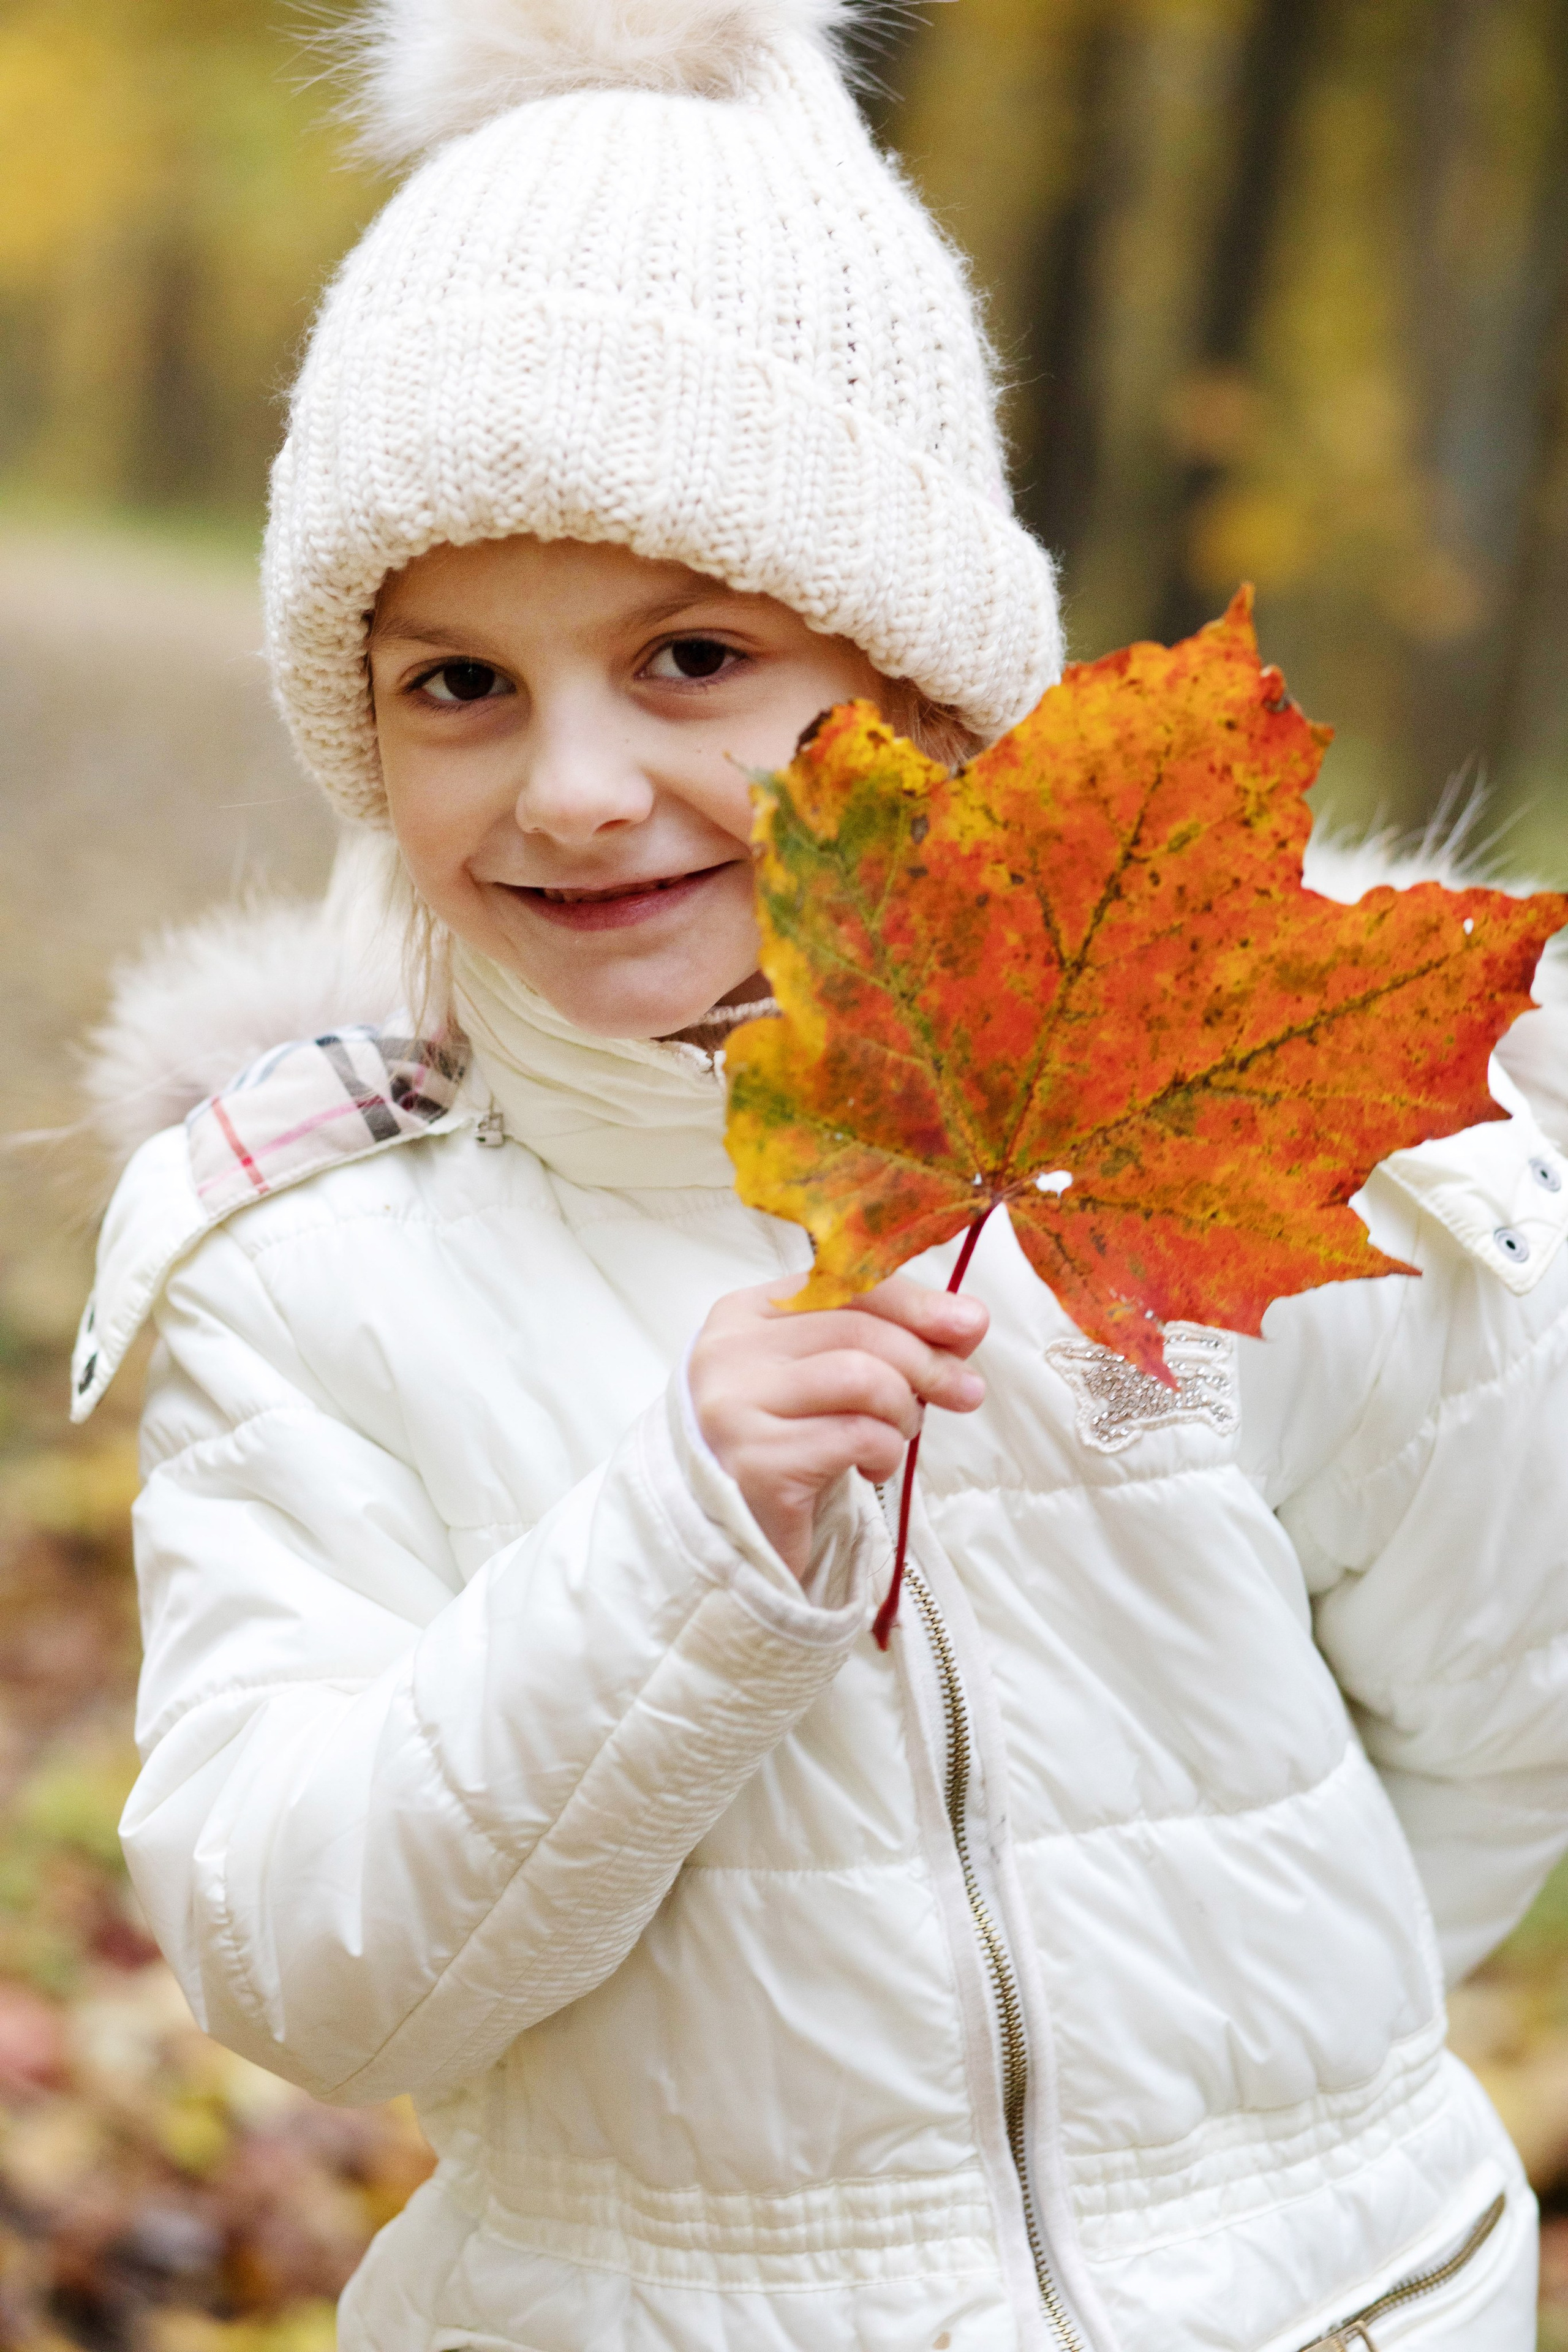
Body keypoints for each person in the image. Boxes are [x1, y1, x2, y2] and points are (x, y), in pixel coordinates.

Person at [75, 2, 1568, 2345]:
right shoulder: (324, 1274)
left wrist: (1264, 2130)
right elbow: (311, 1962)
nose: (569, 784)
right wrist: (677, 1546)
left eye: (689, 655)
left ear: (924, 692)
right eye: (457, 683)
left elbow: (1513, 1694)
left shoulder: (1253, 1143)